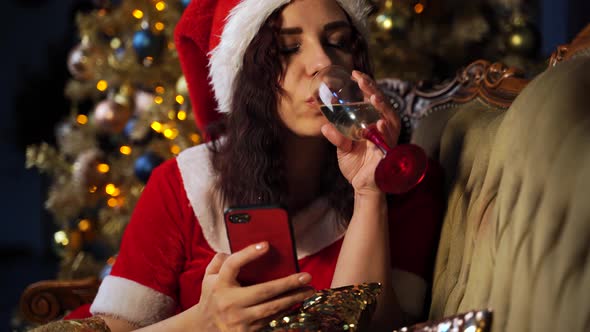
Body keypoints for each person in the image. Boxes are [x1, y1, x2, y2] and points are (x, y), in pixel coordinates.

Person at [87, 0, 445, 331]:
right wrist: (205, 321)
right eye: (288, 49)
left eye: (338, 42)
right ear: (245, 74)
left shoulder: (403, 182)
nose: (323, 61)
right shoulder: (183, 184)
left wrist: (368, 193)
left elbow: (376, 326)